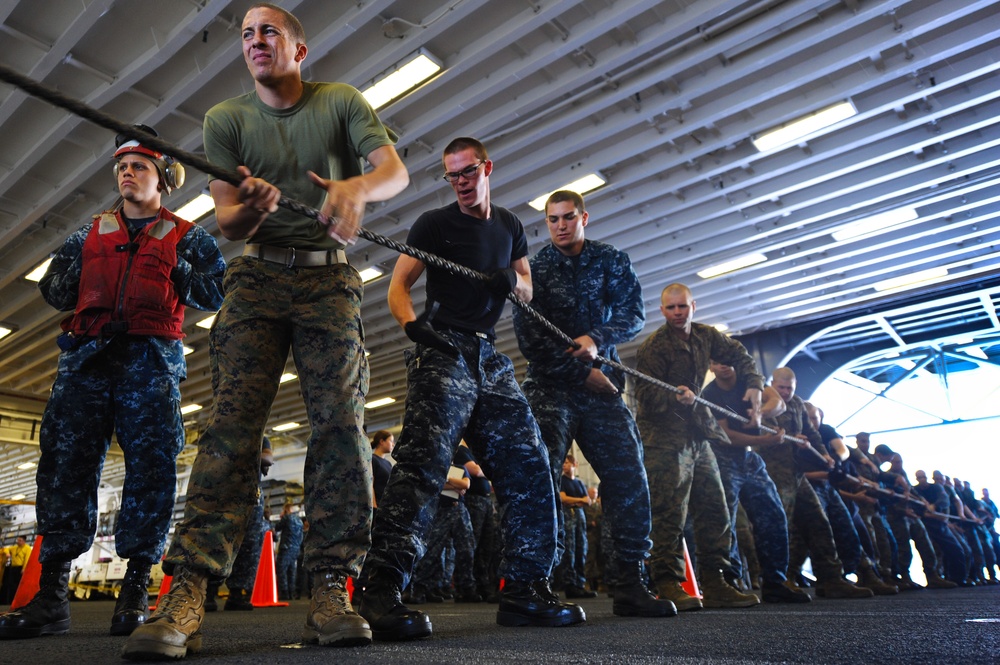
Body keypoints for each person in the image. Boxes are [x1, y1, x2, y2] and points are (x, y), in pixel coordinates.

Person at [123, 4, 409, 659]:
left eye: (268, 31)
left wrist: (357, 189)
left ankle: (333, 587)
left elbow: (397, 171)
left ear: (299, 49)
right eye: (246, 33)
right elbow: (226, 221)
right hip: (255, 279)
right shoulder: (227, 120)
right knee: (229, 427)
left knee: (340, 425)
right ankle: (188, 589)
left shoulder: (339, 102)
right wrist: (249, 206)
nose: (255, 40)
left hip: (328, 278)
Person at [0, 126, 224, 642]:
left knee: (152, 471)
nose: (127, 173)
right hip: (86, 362)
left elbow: (216, 293)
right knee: (64, 468)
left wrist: (174, 266)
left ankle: (136, 593)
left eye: (139, 166)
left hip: (150, 362)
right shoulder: (89, 233)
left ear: (164, 178)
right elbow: (55, 291)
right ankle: (51, 596)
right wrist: (91, 275)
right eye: (122, 167)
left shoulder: (190, 236)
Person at [359, 136, 584, 642]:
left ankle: (527, 589)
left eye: (467, 172)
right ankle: (380, 591)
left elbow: (526, 286)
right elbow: (399, 285)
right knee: (423, 464)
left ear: (487, 168)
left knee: (530, 464)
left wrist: (509, 279)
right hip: (444, 347)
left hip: (490, 357)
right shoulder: (434, 225)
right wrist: (411, 327)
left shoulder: (508, 225)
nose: (460, 182)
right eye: (451, 175)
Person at [511, 190, 673, 617]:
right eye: (552, 220)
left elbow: (633, 313)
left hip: (603, 388)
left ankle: (631, 583)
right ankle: (530, 585)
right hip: (552, 387)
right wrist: (583, 373)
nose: (561, 225)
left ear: (584, 217)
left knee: (630, 478)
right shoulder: (536, 269)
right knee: (537, 480)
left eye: (568, 217)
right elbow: (530, 339)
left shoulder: (610, 260)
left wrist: (596, 339)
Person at [634, 283, 762, 610]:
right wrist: (673, 395)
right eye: (671, 308)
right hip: (663, 436)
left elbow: (739, 354)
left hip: (697, 433)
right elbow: (645, 398)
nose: (677, 313)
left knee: (714, 506)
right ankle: (667, 583)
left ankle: (717, 581)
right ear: (662, 312)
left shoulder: (706, 335)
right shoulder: (654, 347)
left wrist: (755, 387)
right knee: (670, 511)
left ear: (693, 306)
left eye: (682, 307)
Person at [701, 361, 810, 603]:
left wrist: (760, 412)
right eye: (718, 362)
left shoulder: (749, 382)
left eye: (727, 359)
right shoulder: (710, 395)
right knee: (724, 520)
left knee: (773, 513)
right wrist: (766, 441)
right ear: (711, 367)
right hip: (722, 457)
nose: (725, 365)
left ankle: (775, 580)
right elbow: (726, 436)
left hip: (749, 458)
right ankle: (728, 582)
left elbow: (778, 403)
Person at [763, 368, 873, 599]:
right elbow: (756, 432)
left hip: (796, 474)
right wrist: (786, 439)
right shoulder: (765, 399)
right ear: (773, 383)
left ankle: (831, 578)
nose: (784, 392)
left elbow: (812, 435)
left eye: (789, 389)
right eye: (780, 388)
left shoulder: (798, 405)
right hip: (773, 473)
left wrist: (826, 456)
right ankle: (779, 581)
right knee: (781, 527)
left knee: (819, 521)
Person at [204, 437, 275, 612]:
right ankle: (208, 592)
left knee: (248, 548)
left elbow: (268, 458)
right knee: (218, 542)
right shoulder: (225, 429)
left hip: (251, 497)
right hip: (225, 493)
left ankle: (237, 593)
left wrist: (238, 456)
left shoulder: (261, 438)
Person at [556, 455, 596, 599]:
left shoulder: (579, 483)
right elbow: (563, 498)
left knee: (582, 549)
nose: (564, 465)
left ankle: (580, 583)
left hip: (580, 516)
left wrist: (577, 502)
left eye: (567, 463)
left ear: (575, 465)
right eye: (563, 463)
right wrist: (580, 500)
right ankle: (570, 584)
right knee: (570, 550)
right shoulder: (562, 481)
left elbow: (589, 501)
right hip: (569, 516)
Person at [275, 504, 304, 601]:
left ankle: (284, 593)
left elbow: (277, 527)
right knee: (292, 571)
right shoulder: (300, 521)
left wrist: (282, 516)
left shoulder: (287, 518)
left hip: (286, 548)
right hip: (296, 549)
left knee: (282, 570)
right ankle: (291, 592)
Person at [0, 537, 33, 605]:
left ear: (24, 541)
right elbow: (6, 549)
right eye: (17, 540)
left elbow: (27, 559)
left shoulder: (27, 548)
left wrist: (24, 569)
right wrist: (7, 553)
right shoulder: (14, 547)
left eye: (20, 540)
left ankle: (19, 601)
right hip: (13, 568)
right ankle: (10, 601)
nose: (18, 541)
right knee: (11, 585)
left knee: (18, 585)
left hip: (20, 568)